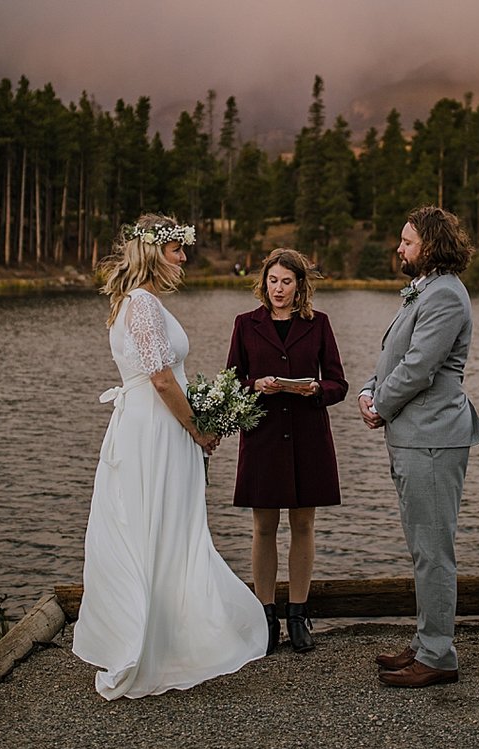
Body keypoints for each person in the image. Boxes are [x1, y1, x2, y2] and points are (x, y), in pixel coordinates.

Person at [73, 214, 268, 698]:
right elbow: (161, 378)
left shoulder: (137, 301)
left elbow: (163, 376)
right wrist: (199, 427)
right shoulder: (142, 304)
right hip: (156, 428)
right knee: (160, 525)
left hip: (149, 424)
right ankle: (150, 643)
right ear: (153, 252)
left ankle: (167, 634)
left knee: (163, 524)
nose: (183, 257)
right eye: (177, 249)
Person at [359, 206, 479, 688]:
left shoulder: (448, 296)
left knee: (434, 550)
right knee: (422, 548)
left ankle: (438, 656)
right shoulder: (425, 291)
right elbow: (392, 353)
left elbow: (419, 367)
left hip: (433, 438)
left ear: (430, 245)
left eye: (407, 241)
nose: (399, 248)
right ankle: (427, 639)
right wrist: (368, 391)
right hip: (414, 435)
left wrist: (381, 406)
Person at [226, 248, 348, 654]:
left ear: (300, 288)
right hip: (262, 436)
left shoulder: (319, 325)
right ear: (264, 283)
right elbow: (232, 384)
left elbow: (337, 383)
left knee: (303, 526)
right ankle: (266, 618)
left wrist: (315, 389)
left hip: (307, 435)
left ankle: (298, 615)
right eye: (272, 281)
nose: (278, 289)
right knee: (263, 527)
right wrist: (254, 386)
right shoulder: (245, 325)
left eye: (286, 282)